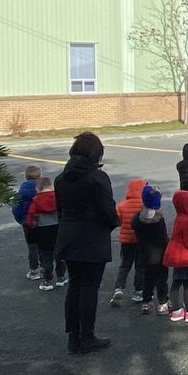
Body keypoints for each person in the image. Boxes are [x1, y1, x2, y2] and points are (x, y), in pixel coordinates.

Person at [53, 132, 119, 354]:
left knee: (74, 286)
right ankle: (88, 336)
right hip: (92, 238)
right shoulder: (98, 178)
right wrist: (113, 223)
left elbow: (60, 210)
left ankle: (73, 337)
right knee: (89, 288)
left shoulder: (61, 178)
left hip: (68, 236)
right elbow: (107, 210)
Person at [163, 189, 188, 323]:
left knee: (176, 283)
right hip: (186, 257)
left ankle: (176, 310)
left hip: (176, 256)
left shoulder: (179, 218)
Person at [131, 184, 169, 314]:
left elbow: (133, 226)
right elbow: (163, 237)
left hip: (144, 253)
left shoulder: (138, 218)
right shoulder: (159, 220)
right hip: (159, 254)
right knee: (161, 279)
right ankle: (162, 302)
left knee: (148, 277)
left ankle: (146, 302)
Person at [111, 177, 146, 306]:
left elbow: (117, 221)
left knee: (125, 265)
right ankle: (138, 291)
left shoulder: (121, 205)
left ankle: (119, 288)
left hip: (126, 240)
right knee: (140, 266)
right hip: (140, 240)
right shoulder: (144, 205)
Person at [26, 175, 64, 292]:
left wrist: (31, 226)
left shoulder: (36, 201)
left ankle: (47, 280)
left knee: (46, 256)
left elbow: (30, 218)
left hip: (42, 231)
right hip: (57, 229)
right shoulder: (58, 198)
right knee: (60, 255)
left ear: (39, 188)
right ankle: (61, 277)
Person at [12, 165, 42, 281]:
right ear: (39, 176)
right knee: (44, 246)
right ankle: (46, 267)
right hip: (41, 221)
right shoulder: (41, 189)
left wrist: (22, 220)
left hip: (27, 222)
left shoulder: (21, 191)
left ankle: (34, 270)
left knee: (32, 246)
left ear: (25, 177)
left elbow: (16, 208)